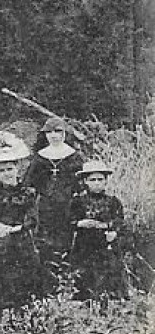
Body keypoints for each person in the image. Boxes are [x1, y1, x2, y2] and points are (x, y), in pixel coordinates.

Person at [0, 134, 44, 311]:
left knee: (21, 279)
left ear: (17, 169)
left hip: (20, 240)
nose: (7, 174)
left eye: (10, 169)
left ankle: (21, 316)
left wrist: (15, 228)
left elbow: (32, 217)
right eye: (2, 170)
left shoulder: (28, 192)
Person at [25, 116, 84, 286]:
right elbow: (29, 184)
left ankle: (67, 280)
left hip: (69, 206)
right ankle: (48, 280)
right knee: (45, 243)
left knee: (68, 241)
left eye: (58, 131)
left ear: (65, 133)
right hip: (45, 207)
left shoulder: (75, 157)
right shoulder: (40, 157)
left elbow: (82, 184)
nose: (54, 136)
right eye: (50, 132)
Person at [68, 160, 127, 301]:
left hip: (106, 244)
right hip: (84, 245)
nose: (96, 183)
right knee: (84, 277)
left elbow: (120, 222)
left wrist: (112, 231)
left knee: (109, 277)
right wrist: (80, 223)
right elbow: (69, 222)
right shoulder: (77, 202)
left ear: (106, 181)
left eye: (100, 179)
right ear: (85, 181)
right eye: (92, 180)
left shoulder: (113, 201)